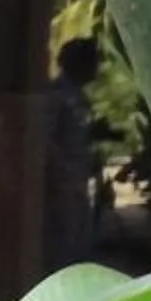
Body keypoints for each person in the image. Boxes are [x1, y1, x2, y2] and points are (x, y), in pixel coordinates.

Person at [44, 35, 104, 271]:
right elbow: (45, 142)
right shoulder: (58, 96)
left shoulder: (79, 97)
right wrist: (64, 175)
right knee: (65, 250)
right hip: (64, 186)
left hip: (78, 181)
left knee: (81, 244)